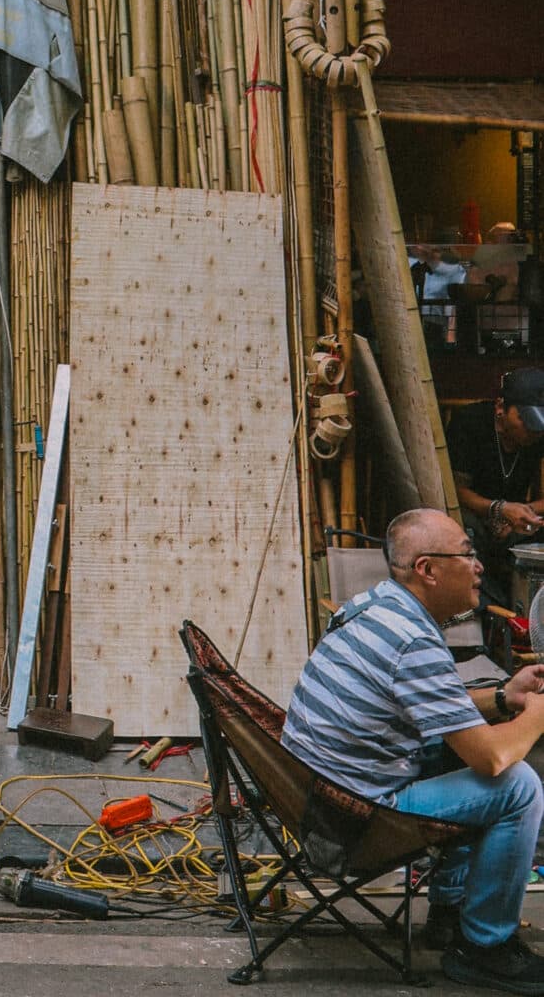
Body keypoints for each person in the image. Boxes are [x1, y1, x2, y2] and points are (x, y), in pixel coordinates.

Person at [282, 508, 544, 992]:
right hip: (359, 818)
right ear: (428, 569)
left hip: (321, 799)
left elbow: (434, 707)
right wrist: (538, 713)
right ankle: (484, 948)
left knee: (453, 746)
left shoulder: (375, 606)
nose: (479, 566)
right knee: (518, 786)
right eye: (467, 554)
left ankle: (449, 912)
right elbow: (492, 758)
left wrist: (505, 696)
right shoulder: (412, 640)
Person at [447, 369, 544, 603]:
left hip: (517, 521)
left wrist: (524, 512)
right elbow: (456, 491)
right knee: (464, 533)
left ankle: (529, 608)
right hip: (473, 514)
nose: (533, 431)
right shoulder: (470, 422)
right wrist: (498, 509)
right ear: (501, 407)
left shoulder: (539, 434)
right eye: (525, 420)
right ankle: (488, 608)